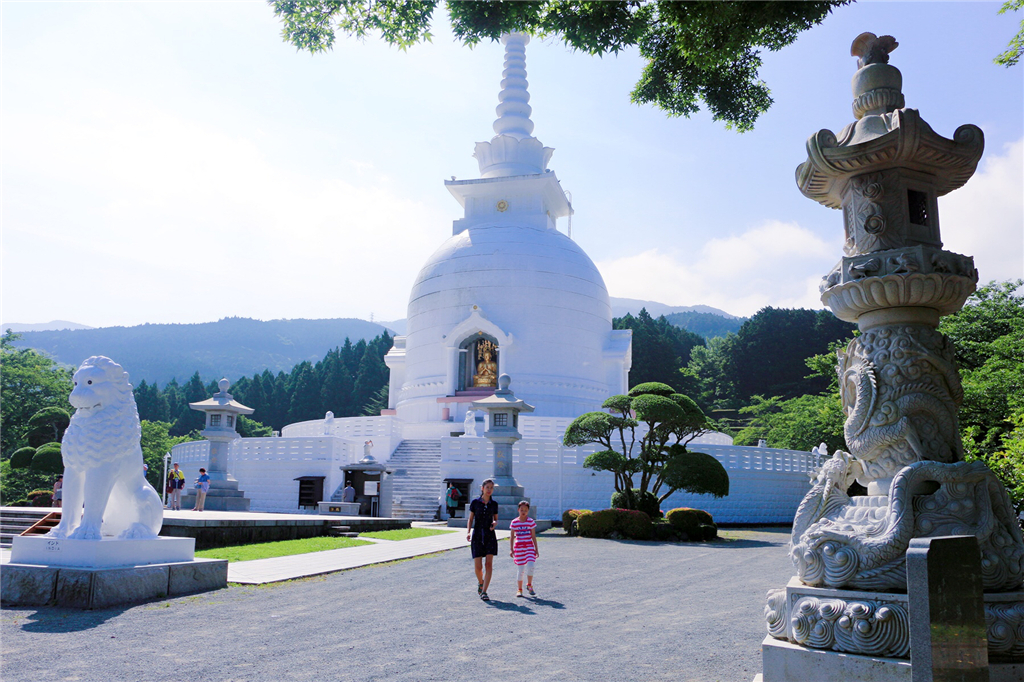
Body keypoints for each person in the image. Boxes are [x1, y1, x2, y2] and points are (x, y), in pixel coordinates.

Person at [466, 478, 498, 601]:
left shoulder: (494, 504)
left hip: (490, 535)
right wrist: (468, 532)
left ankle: (484, 591)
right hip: (477, 534)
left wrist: (494, 523)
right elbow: (470, 519)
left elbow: (495, 519)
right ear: (482, 488)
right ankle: (481, 582)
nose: (489, 490)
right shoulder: (475, 503)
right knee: (478, 566)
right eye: (487, 487)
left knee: (488, 564)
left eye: (491, 487)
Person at [509, 500, 539, 597]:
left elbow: (533, 536)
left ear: (528, 511)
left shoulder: (531, 522)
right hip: (519, 548)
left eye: (525, 510)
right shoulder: (514, 522)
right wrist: (511, 549)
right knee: (521, 569)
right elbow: (512, 537)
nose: (523, 512)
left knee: (531, 565)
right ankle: (519, 589)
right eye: (522, 510)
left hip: (529, 547)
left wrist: (536, 549)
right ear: (518, 510)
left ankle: (529, 585)